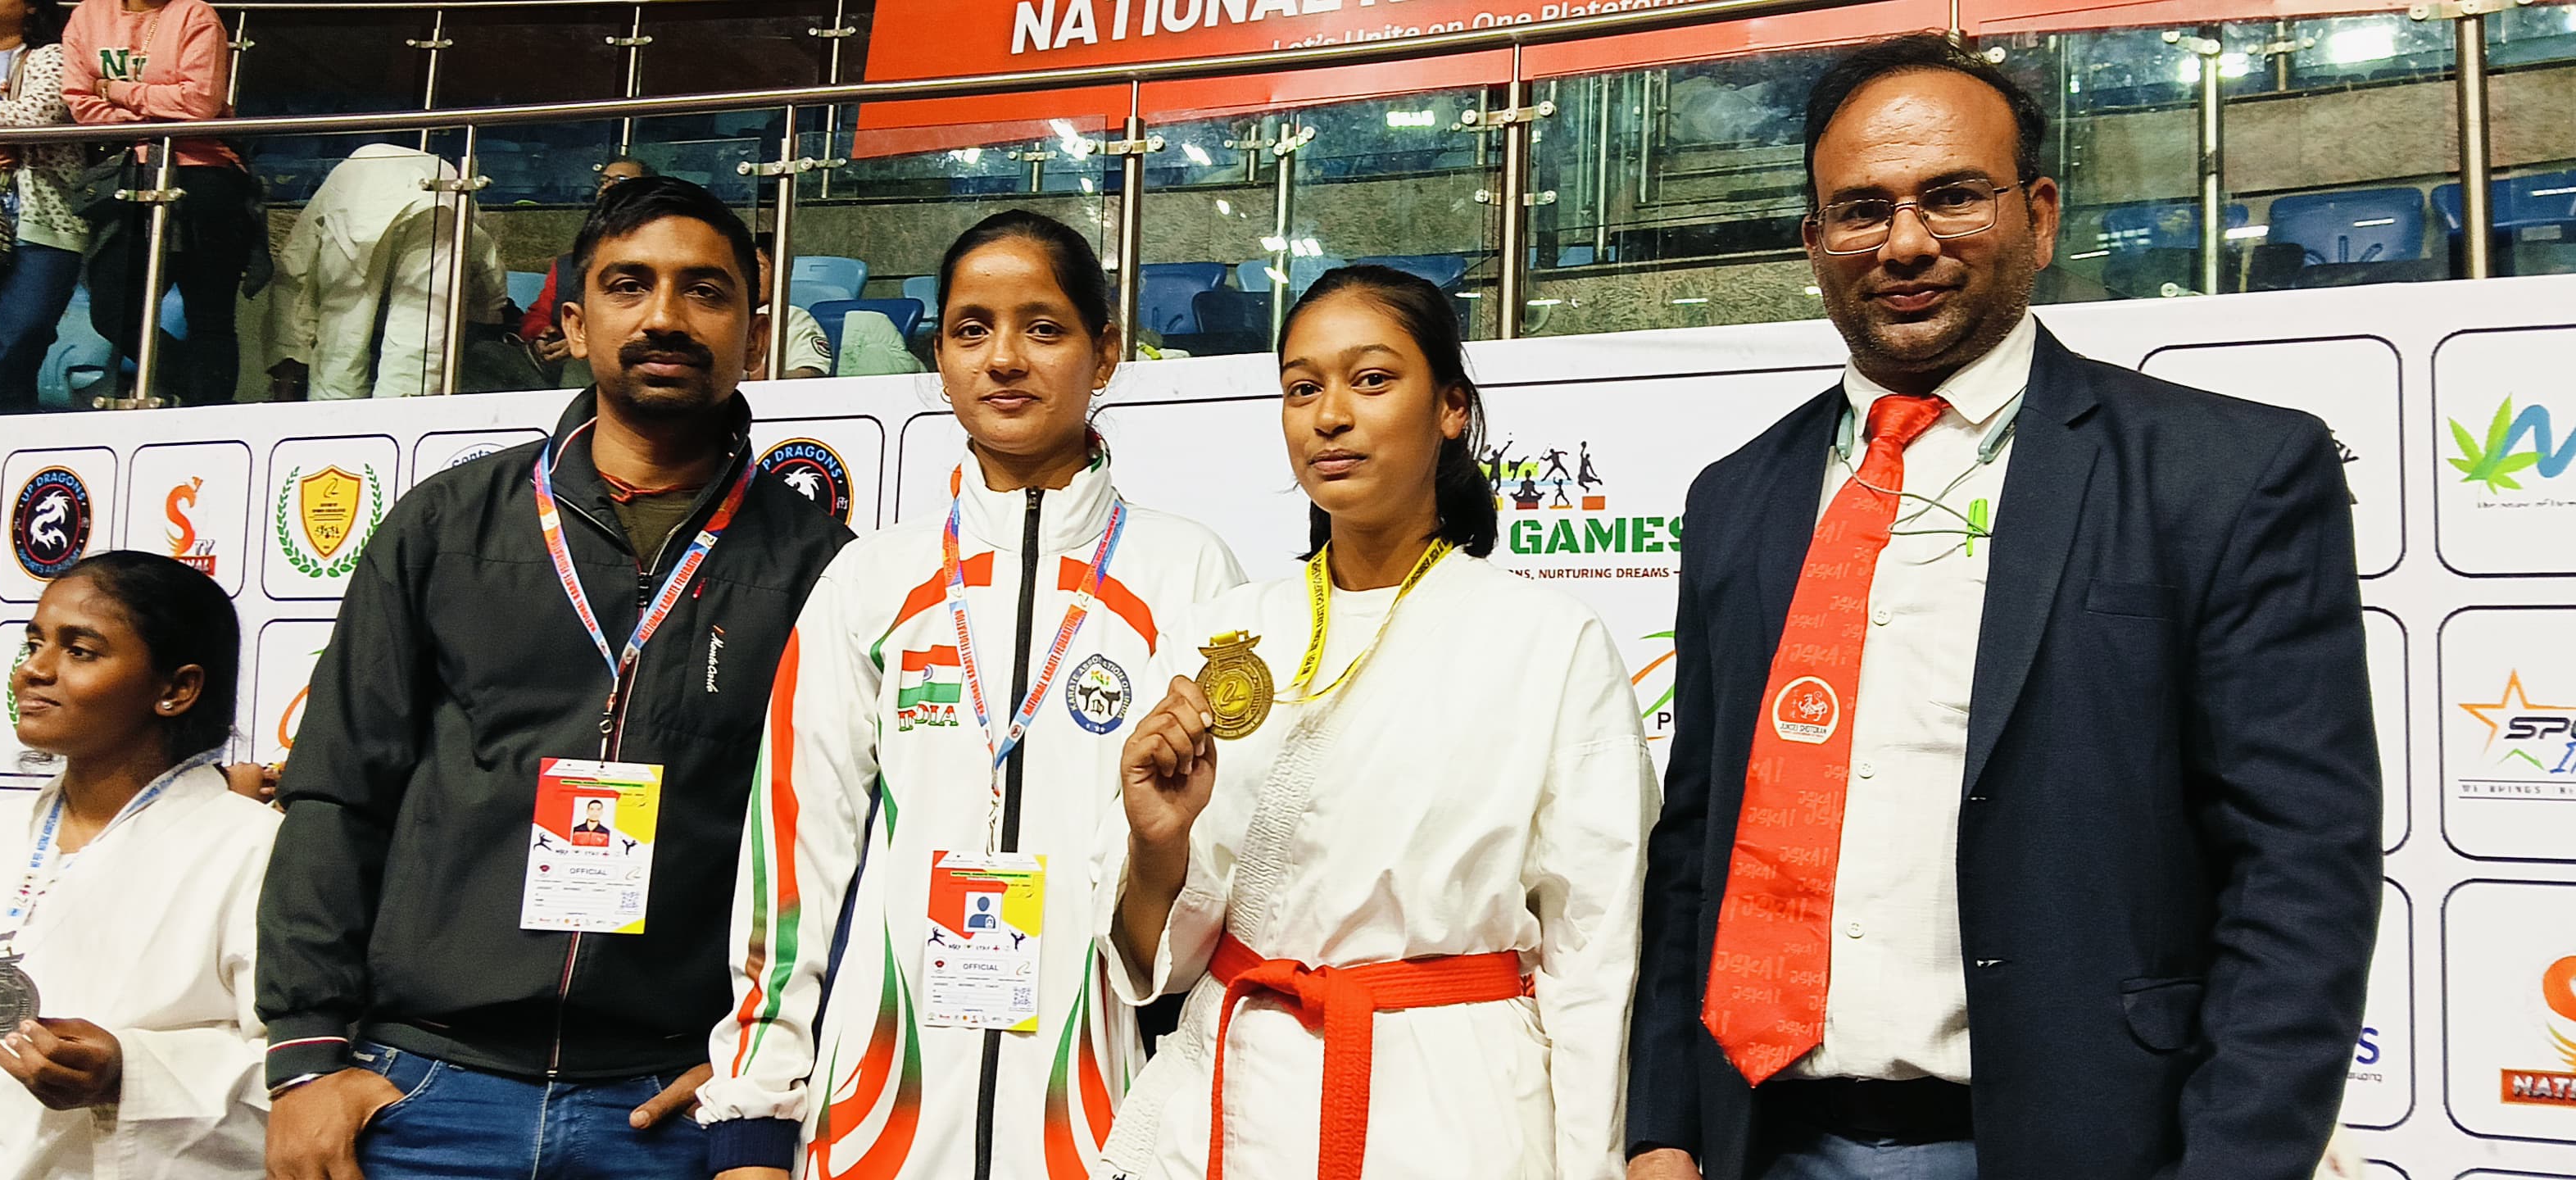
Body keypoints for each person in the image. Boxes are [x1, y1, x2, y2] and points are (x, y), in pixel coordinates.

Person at [1624, 35, 2379, 1180]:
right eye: (1862, 209)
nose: (1905, 242)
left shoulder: (2226, 473)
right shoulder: (1736, 497)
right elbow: (1696, 843)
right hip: (1764, 1143)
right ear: (1815, 242)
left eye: (1951, 196)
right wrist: (1664, 1128)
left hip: (2091, 1145)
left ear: (2039, 214)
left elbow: (2299, 867)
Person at [256, 176, 855, 1180]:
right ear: (573, 324)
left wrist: (758, 1076)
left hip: (670, 1108)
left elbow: (843, 854)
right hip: (427, 1091)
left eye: (705, 291)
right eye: (629, 285)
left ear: (754, 335)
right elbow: (337, 791)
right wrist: (308, 1057)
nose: (664, 316)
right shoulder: (447, 526)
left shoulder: (820, 567)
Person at [695, 208, 1243, 1179]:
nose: (1004, 359)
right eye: (971, 329)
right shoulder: (871, 579)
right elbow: (794, 858)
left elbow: (1215, 875)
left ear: (1104, 352)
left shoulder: (1188, 575)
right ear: (940, 359)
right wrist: (751, 1116)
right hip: (875, 1125)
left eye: (1044, 328)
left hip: (1099, 1126)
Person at [1098, 265, 1658, 1180]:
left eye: (1370, 380)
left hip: (1452, 1110)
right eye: (1300, 388)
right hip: (1236, 1099)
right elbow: (1159, 958)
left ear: (1450, 408)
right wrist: (1157, 844)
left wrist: (1591, 1165)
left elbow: (1593, 955)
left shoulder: (1549, 642)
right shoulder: (1221, 633)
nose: (1328, 417)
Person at [0, 551, 277, 1178]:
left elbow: (303, 1078)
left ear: (176, 690)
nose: (33, 670)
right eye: (35, 643)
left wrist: (131, 1071)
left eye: (80, 651)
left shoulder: (253, 850)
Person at [61, 0, 257, 409]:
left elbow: (200, 103)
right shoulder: (88, 15)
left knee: (210, 315)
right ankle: (198, 388)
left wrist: (113, 90)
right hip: (126, 173)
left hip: (205, 174)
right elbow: (80, 102)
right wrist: (156, 115)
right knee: (112, 309)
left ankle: (210, 416)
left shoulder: (195, 14)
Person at [265, 143, 510, 400]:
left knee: (343, 334)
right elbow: (482, 256)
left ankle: (335, 416)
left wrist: (289, 361)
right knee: (420, 335)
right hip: (443, 185)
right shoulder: (448, 176)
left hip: (362, 187)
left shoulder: (341, 179)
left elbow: (295, 272)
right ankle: (405, 417)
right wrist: (489, 310)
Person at [0, 0, 82, 417]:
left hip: (38, 216)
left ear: (30, 6)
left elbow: (36, 114)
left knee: (22, 331)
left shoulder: (51, 55)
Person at [521, 155, 659, 385]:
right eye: (604, 180)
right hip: (555, 357)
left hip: (609, 360)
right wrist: (541, 333)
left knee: (580, 366)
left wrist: (585, 341)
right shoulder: (569, 262)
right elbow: (539, 312)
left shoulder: (655, 258)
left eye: (620, 180)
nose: (607, 186)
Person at [747, 233, 829, 381]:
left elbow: (812, 373)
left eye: (758, 267)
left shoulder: (791, 317)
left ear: (781, 275)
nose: (749, 277)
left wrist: (768, 376)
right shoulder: (719, 315)